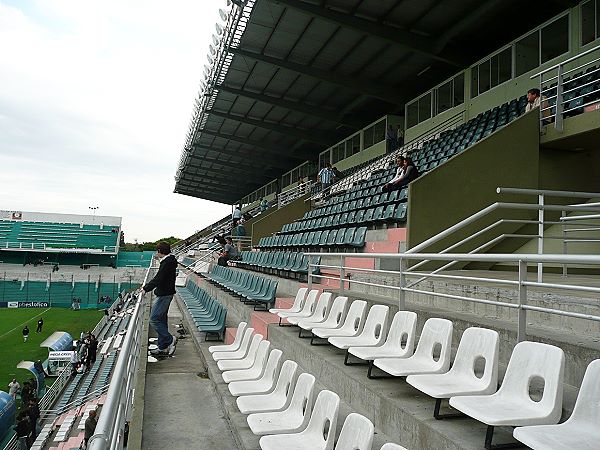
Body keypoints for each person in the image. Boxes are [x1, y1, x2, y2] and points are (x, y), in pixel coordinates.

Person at [142, 242, 178, 357]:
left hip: (164, 295)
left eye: (157, 250)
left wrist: (145, 289)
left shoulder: (167, 263)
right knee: (161, 320)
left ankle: (170, 339)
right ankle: (162, 347)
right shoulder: (168, 261)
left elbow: (158, 278)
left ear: (160, 251)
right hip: (165, 293)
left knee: (154, 319)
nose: (156, 253)